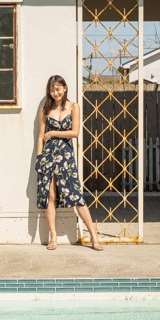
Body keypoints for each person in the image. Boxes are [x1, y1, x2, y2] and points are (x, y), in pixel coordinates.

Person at [35, 75, 103, 251]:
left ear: (65, 88)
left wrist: (54, 134)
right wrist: (39, 158)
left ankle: (93, 237)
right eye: (52, 90)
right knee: (50, 196)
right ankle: (53, 237)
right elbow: (41, 136)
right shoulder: (45, 109)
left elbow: (75, 132)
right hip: (48, 157)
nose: (55, 92)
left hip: (66, 157)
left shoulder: (74, 107)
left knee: (76, 196)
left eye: (58, 88)